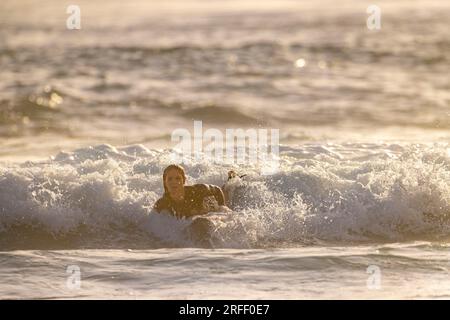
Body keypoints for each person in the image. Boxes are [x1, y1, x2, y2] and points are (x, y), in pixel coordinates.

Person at [154, 164, 228, 219]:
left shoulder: (197, 191)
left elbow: (217, 190)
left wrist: (222, 208)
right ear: (165, 182)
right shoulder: (162, 203)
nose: (174, 182)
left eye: (178, 178)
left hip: (210, 206)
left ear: (184, 181)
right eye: (170, 179)